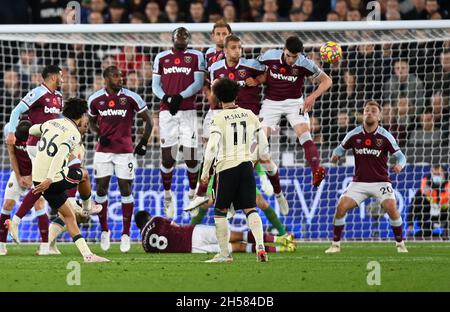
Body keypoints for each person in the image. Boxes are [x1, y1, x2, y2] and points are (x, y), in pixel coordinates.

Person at [191, 34, 288, 214]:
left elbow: (269, 75)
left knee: (264, 157)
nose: (237, 51)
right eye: (234, 47)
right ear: (225, 50)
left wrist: (258, 80)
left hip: (251, 115)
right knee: (214, 156)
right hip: (228, 117)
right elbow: (214, 92)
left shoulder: (251, 65)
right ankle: (203, 194)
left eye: (239, 47)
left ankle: (278, 193)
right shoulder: (216, 68)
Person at [10, 98, 108, 263]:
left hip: (37, 178)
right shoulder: (73, 133)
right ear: (80, 116)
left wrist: (25, 127)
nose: (86, 119)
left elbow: (33, 129)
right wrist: (50, 178)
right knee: (84, 175)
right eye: (85, 116)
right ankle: (87, 208)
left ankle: (88, 255)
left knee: (69, 216)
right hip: (53, 178)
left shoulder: (51, 123)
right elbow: (61, 153)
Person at [199, 78, 272, 263]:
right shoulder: (249, 114)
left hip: (226, 168)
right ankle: (261, 248)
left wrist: (205, 172)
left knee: (220, 211)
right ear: (236, 94)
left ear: (217, 98)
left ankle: (224, 254)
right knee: (250, 209)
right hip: (246, 166)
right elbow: (263, 143)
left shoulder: (218, 118)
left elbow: (211, 149)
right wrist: (254, 159)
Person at [325, 101, 408, 253]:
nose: (369, 113)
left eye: (373, 111)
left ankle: (400, 244)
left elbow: (401, 157)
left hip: (381, 181)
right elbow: (339, 149)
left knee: (391, 207)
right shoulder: (354, 134)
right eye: (366, 111)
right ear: (363, 115)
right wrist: (335, 156)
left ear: (379, 117)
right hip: (359, 183)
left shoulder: (385, 136)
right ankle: (335, 245)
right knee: (341, 206)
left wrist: (399, 166)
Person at [88, 66, 152, 253]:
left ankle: (125, 234)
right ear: (106, 79)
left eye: (120, 75)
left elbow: (149, 120)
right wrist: (99, 134)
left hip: (125, 152)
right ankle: (104, 230)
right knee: (101, 188)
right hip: (103, 152)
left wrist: (143, 143)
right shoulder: (95, 99)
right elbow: (91, 121)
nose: (120, 78)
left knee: (125, 189)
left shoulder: (131, 97)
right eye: (116, 76)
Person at [257, 36, 332, 188]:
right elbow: (254, 67)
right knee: (259, 142)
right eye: (289, 55)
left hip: (295, 102)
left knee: (305, 135)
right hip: (271, 103)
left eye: (294, 57)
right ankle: (263, 176)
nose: (291, 60)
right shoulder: (270, 56)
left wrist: (312, 97)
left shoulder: (304, 63)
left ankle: (317, 170)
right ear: (284, 49)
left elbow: (327, 81)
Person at [5, 65, 64, 250]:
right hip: (36, 145)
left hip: (51, 146)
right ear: (53, 77)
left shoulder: (59, 98)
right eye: (61, 76)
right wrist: (11, 133)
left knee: (44, 188)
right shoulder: (37, 92)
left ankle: (21, 224)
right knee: (51, 185)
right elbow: (15, 112)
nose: (63, 79)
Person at [152, 27, 205, 218]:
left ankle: (192, 194)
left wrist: (179, 96)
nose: (181, 38)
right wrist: (167, 98)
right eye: (178, 36)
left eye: (185, 36)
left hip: (188, 111)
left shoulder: (197, 56)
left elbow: (198, 83)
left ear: (189, 39)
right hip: (167, 112)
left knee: (191, 157)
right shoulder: (161, 58)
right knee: (168, 158)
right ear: (172, 38)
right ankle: (168, 195)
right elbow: (155, 86)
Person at [135, 210, 296, 254]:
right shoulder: (156, 219)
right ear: (147, 217)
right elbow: (175, 226)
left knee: (236, 247)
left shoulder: (145, 246)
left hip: (193, 250)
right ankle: (280, 239)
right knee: (235, 235)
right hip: (192, 233)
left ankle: (282, 249)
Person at [0, 120, 48, 256]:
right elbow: (12, 155)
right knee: (7, 205)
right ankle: (1, 246)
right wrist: (19, 176)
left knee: (39, 204)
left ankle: (45, 246)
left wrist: (32, 177)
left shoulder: (38, 139)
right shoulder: (11, 135)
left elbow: (40, 162)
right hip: (18, 173)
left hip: (37, 173)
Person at [407, 165, 449, 238]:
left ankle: (446, 232)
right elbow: (413, 205)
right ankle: (425, 232)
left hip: (445, 217)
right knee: (420, 201)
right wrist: (410, 225)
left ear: (444, 173)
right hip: (429, 219)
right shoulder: (425, 187)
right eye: (434, 174)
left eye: (438, 174)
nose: (436, 176)